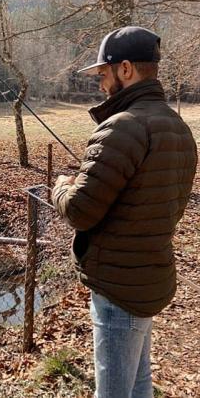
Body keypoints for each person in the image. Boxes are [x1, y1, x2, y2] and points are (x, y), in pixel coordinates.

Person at [51, 26, 197, 398]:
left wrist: (62, 186)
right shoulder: (178, 128)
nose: (101, 84)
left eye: (103, 74)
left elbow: (80, 212)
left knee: (115, 391)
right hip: (148, 278)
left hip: (118, 287)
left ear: (126, 69)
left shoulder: (122, 127)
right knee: (139, 381)